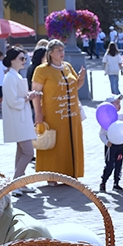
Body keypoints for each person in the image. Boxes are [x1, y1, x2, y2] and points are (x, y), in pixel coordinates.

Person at [32, 39, 86, 180]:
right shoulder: (42, 70)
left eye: (62, 50)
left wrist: (81, 79)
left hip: (72, 114)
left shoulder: (67, 66)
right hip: (52, 115)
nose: (62, 53)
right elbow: (36, 93)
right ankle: (51, 177)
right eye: (58, 50)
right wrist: (38, 113)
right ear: (50, 53)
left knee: (70, 142)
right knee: (54, 145)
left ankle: (70, 174)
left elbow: (74, 87)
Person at [1, 47, 39, 183]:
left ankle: (19, 182)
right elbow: (13, 101)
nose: (24, 61)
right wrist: (27, 98)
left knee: (21, 151)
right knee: (28, 152)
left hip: (20, 118)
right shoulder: (10, 77)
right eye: (21, 59)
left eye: (25, 58)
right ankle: (17, 181)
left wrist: (27, 96)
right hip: (17, 120)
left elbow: (16, 98)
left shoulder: (14, 75)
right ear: (12, 60)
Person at [98, 94, 123, 193]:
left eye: (120, 103)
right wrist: (107, 142)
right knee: (110, 165)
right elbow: (102, 134)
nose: (119, 105)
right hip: (111, 146)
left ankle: (116, 183)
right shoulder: (105, 119)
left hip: (120, 144)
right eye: (116, 103)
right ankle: (103, 181)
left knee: (119, 164)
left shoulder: (121, 116)